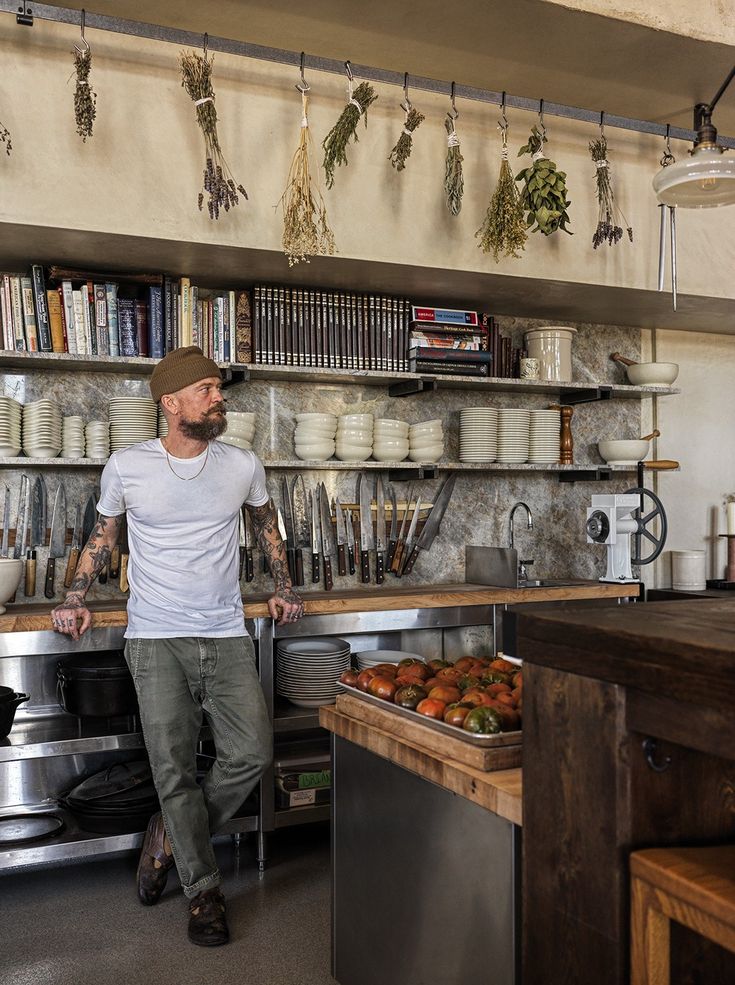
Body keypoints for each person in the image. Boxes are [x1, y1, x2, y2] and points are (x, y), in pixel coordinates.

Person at [51, 345, 303, 947]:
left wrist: (284, 587)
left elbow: (268, 525)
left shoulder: (240, 465)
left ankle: (168, 830)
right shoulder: (127, 466)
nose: (219, 398)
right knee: (173, 766)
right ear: (171, 402)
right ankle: (204, 892)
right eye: (208, 389)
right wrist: (74, 594)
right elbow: (102, 536)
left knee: (252, 752)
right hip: (155, 635)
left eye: (219, 388)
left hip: (223, 630)